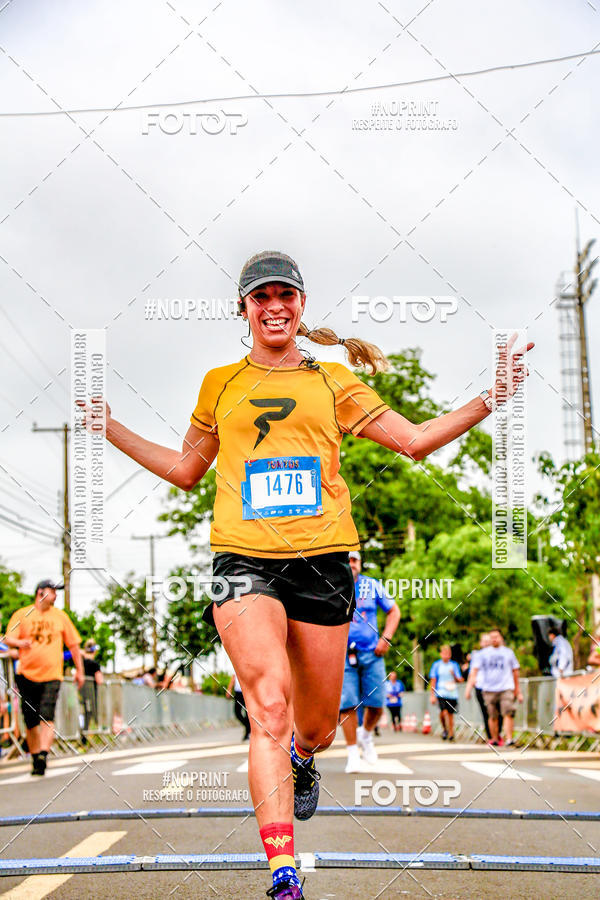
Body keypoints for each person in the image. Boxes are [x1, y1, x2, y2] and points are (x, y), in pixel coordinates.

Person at [81, 250, 532, 899]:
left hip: (323, 561)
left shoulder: (333, 381)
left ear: (300, 306)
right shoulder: (220, 383)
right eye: (260, 297)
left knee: (314, 724)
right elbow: (187, 471)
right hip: (242, 559)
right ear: (243, 309)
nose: (273, 307)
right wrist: (110, 427)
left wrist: (493, 396)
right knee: (268, 706)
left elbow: (415, 439)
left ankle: (304, 759)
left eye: (284, 296)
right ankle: (283, 871)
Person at [2, 580, 84, 775]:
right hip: (26, 674)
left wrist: (79, 671)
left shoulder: (60, 617)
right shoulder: (22, 614)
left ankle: (43, 755)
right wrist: (20, 642)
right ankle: (35, 754)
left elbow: (73, 645)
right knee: (30, 720)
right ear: (40, 592)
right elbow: (8, 638)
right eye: (52, 591)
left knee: (47, 715)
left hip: (52, 675)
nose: (55, 596)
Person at [340, 552, 400, 772]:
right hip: (343, 655)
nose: (351, 564)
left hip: (372, 654)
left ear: (360, 563)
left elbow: (394, 611)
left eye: (354, 560)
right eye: (347, 560)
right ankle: (352, 754)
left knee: (376, 704)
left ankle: (365, 734)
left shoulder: (372, 585)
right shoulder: (331, 585)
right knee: (347, 704)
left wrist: (386, 638)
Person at [466, 627, 522, 747]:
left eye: (496, 637)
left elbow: (515, 671)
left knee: (508, 712)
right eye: (492, 637)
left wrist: (517, 690)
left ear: (501, 638)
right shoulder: (483, 654)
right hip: (489, 689)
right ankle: (494, 738)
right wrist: (471, 683)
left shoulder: (508, 653)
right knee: (492, 715)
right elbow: (474, 670)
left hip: (506, 687)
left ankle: (509, 738)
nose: (494, 639)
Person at [466, 632, 498, 742]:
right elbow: (472, 673)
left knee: (497, 712)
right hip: (481, 687)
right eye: (484, 641)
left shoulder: (498, 654)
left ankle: (496, 735)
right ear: (480, 643)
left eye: (488, 641)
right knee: (487, 712)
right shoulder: (478, 655)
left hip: (495, 687)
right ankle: (491, 737)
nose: (486, 643)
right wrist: (468, 689)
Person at [429, 645, 463, 741]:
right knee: (443, 712)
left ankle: (451, 733)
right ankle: (445, 729)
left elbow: (460, 679)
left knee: (450, 713)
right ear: (441, 654)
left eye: (448, 653)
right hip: (441, 692)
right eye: (444, 653)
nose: (446, 656)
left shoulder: (454, 665)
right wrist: (432, 695)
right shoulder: (436, 665)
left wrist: (454, 675)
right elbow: (433, 680)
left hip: (452, 692)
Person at [80, 639, 104, 741]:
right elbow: (100, 680)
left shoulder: (80, 662)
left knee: (85, 713)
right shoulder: (94, 664)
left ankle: (85, 735)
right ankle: (89, 736)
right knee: (91, 713)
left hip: (80, 691)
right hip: (90, 692)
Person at [227, 671, 251, 740]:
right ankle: (248, 727)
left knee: (248, 713)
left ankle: (248, 733)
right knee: (237, 712)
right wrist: (229, 689)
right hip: (238, 693)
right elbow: (233, 677)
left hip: (246, 691)